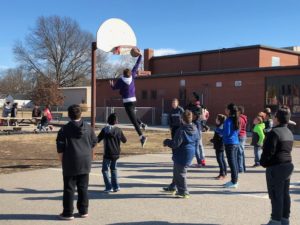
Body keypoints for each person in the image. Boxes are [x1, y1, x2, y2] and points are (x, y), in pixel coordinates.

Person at [56, 104, 97, 220]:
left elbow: (60, 148)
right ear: (81, 114)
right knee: (83, 187)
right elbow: (94, 142)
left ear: (69, 115)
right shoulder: (88, 128)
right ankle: (83, 211)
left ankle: (68, 213)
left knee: (69, 188)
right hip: (85, 160)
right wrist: (90, 155)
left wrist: (62, 161)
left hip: (70, 160)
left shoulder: (64, 129)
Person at [260, 106, 294, 225]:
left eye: (275, 116)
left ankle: (275, 220)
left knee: (276, 195)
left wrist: (263, 162)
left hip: (276, 167)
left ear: (277, 119)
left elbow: (268, 152)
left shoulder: (274, 132)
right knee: (285, 194)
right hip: (287, 165)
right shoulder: (289, 132)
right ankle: (284, 219)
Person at [109, 50, 147, 148]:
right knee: (133, 115)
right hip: (134, 100)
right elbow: (137, 64)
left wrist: (111, 85)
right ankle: (142, 124)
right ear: (130, 73)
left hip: (127, 101)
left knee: (133, 120)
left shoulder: (121, 80)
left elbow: (114, 88)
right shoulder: (133, 75)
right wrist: (140, 56)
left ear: (123, 74)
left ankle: (142, 136)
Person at [162, 110, 199, 198]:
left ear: (182, 119)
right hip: (190, 152)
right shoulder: (195, 128)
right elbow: (197, 140)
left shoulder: (181, 130)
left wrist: (167, 142)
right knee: (176, 171)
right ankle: (172, 187)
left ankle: (184, 191)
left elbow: (175, 144)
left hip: (182, 153)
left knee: (181, 173)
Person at [97, 113, 127, 193]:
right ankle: (116, 187)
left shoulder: (104, 130)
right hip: (116, 153)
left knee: (105, 170)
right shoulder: (118, 130)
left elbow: (97, 140)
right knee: (114, 169)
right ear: (116, 121)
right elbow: (124, 140)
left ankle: (108, 187)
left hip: (107, 153)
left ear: (108, 120)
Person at [223, 103, 240, 188]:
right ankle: (235, 180)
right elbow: (236, 132)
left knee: (232, 163)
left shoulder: (228, 120)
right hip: (235, 143)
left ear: (229, 110)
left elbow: (227, 133)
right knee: (234, 163)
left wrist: (220, 132)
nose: (225, 110)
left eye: (226, 108)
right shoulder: (235, 119)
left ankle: (234, 181)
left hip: (230, 143)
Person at [210, 114, 227, 180]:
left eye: (217, 119)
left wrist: (214, 140)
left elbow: (220, 136)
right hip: (219, 144)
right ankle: (224, 173)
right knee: (222, 159)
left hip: (220, 145)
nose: (215, 120)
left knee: (220, 160)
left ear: (219, 120)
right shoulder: (220, 126)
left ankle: (222, 174)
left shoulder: (221, 127)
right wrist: (213, 140)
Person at [237, 105, 247, 173]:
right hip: (243, 135)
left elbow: (238, 129)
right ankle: (243, 167)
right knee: (241, 152)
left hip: (240, 135)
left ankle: (240, 169)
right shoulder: (244, 117)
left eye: (236, 110)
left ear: (239, 111)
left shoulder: (239, 119)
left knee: (239, 153)